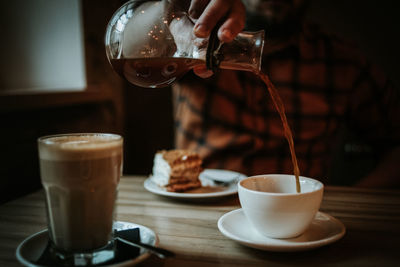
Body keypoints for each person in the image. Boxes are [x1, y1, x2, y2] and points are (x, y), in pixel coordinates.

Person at [172, 0, 400, 188]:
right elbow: (140, 56)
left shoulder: (343, 63)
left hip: (299, 219)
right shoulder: (190, 40)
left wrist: (353, 202)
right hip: (200, 203)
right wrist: (172, 14)